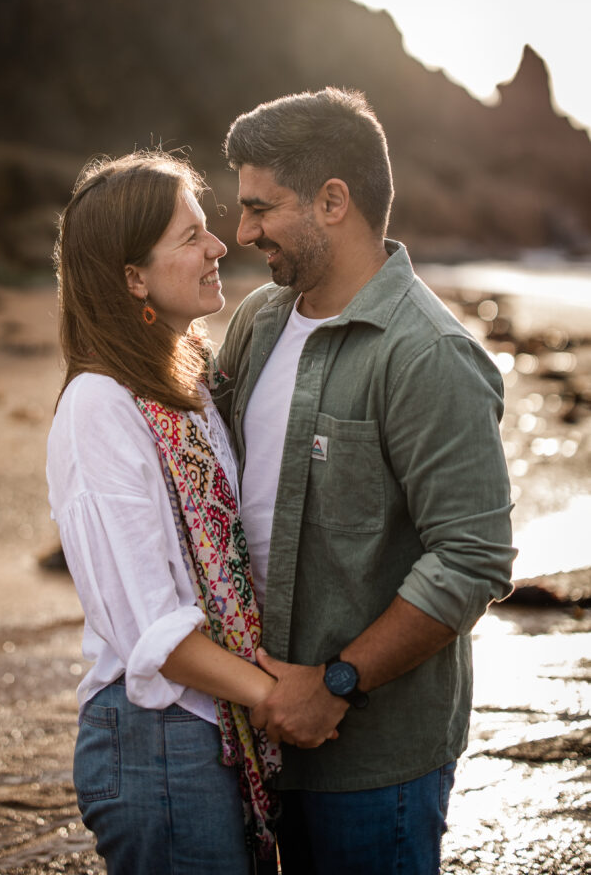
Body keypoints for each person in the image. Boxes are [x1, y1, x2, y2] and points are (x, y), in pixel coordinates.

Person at [214, 88, 516, 875]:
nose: (241, 232)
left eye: (259, 208)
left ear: (332, 201)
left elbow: (472, 556)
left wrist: (335, 684)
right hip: (250, 733)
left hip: (374, 763)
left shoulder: (428, 355)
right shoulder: (259, 320)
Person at [46, 150, 282, 875]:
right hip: (155, 738)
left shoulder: (189, 390)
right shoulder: (100, 404)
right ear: (132, 278)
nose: (217, 246)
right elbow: (153, 626)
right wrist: (279, 698)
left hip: (207, 725)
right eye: (190, 236)